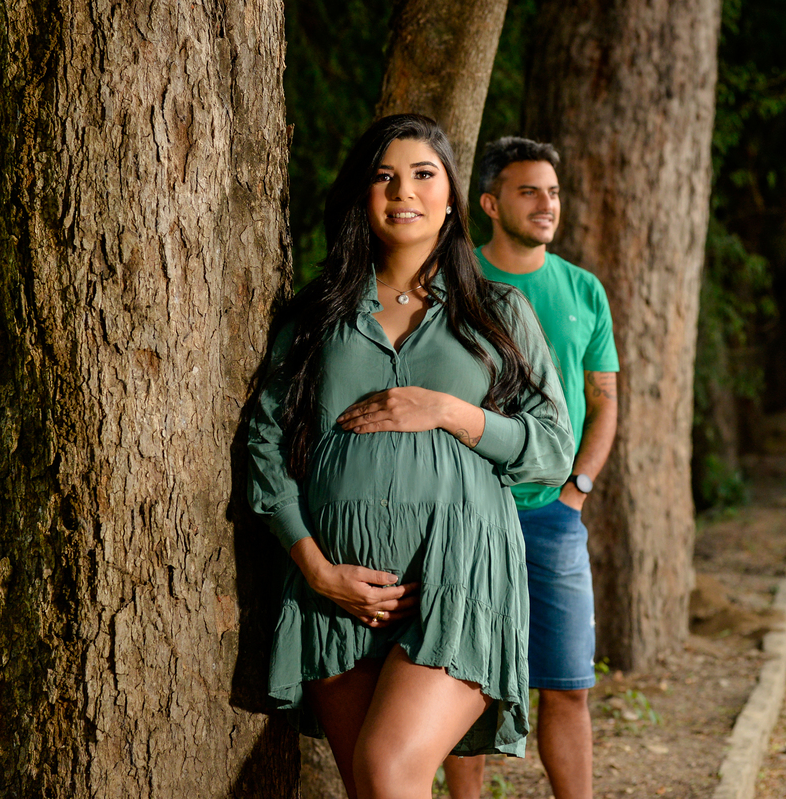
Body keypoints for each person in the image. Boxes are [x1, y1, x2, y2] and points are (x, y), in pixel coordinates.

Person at [248, 115, 574, 799]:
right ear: (362, 196)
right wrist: (316, 569)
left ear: (452, 196)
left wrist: (450, 412)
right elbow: (265, 442)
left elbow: (552, 447)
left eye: (424, 174)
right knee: (375, 788)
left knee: (388, 768)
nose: (405, 191)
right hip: (336, 586)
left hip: (457, 573)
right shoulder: (316, 316)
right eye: (385, 176)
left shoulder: (497, 311)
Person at [443, 137, 619, 799]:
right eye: (529, 191)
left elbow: (605, 401)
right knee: (466, 680)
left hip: (553, 514)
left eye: (553, 192)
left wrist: (578, 488)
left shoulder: (584, 289)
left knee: (568, 685)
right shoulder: (457, 282)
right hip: (470, 509)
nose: (547, 203)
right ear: (490, 203)